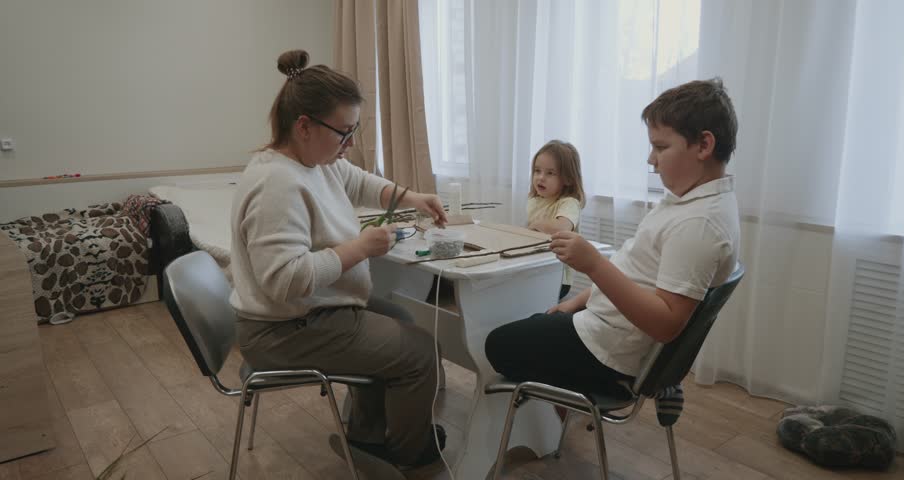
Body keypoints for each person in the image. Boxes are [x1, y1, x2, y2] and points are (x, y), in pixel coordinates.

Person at [230, 49, 448, 468]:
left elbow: (361, 182)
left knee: (398, 322)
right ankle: (407, 454)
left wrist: (412, 197)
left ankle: (369, 437)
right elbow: (285, 281)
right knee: (420, 352)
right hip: (282, 332)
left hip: (307, 316)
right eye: (343, 133)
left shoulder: (316, 160)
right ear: (305, 126)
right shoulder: (278, 184)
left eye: (354, 131)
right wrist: (359, 249)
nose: (349, 144)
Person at [485, 78, 741, 399]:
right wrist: (576, 302)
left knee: (496, 345)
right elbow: (635, 269)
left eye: (661, 147)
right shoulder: (689, 201)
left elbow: (665, 325)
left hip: (609, 349)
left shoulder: (700, 223)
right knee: (536, 323)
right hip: (603, 325)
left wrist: (592, 264)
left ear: (704, 146)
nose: (651, 159)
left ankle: (579, 400)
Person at [526, 140, 585, 300]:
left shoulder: (569, 203)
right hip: (535, 268)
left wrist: (537, 225)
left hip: (558, 276)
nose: (541, 178)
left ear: (568, 178)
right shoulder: (534, 201)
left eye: (550, 173)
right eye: (537, 171)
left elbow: (563, 227)